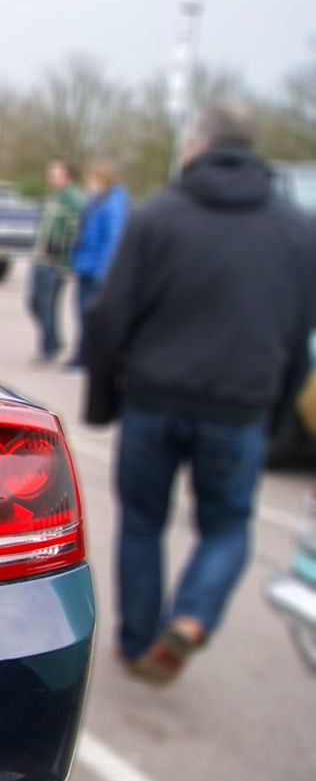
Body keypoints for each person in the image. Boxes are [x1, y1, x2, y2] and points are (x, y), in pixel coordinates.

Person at [84, 101, 316, 685]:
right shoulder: (296, 229)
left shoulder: (158, 216)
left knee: (141, 523)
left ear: (197, 146)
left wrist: (103, 399)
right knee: (229, 524)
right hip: (240, 408)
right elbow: (300, 326)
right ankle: (191, 618)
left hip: (154, 401)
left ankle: (137, 643)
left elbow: (110, 313)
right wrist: (282, 412)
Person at [63, 159, 130, 369]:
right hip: (86, 268)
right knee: (82, 314)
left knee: (90, 316)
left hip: (98, 273)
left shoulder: (113, 204)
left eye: (91, 178)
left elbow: (113, 241)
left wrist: (104, 275)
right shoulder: (96, 200)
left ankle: (85, 358)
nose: (88, 182)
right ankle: (82, 356)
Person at [27, 159, 83, 362]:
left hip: (55, 262)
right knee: (34, 303)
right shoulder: (51, 197)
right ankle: (54, 341)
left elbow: (75, 234)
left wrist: (67, 264)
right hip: (40, 258)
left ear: (67, 175)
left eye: (55, 173)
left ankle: (48, 347)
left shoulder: (74, 200)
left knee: (47, 305)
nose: (50, 177)